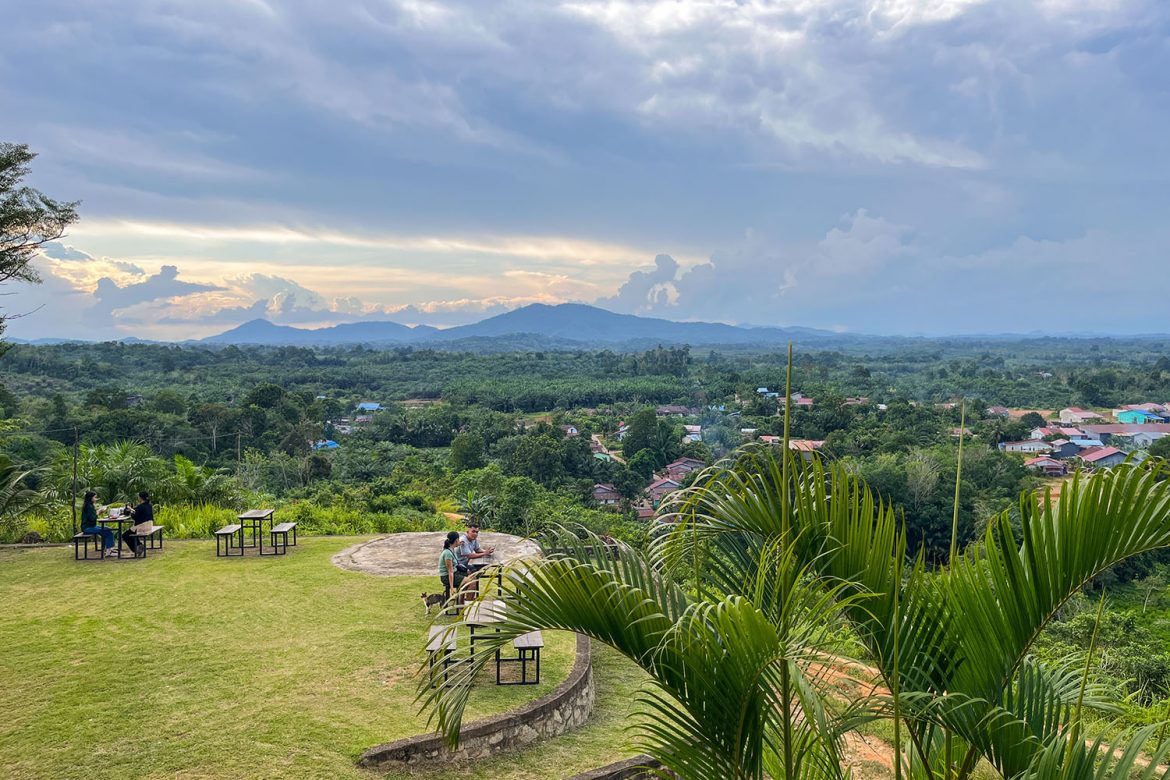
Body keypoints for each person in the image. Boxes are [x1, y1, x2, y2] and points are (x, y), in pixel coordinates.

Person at [122, 490, 154, 555]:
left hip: (142, 527)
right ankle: (139, 545)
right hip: (149, 525)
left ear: (140, 498)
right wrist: (132, 510)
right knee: (131, 533)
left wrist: (131, 511)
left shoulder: (141, 507)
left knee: (125, 535)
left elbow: (134, 517)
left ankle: (136, 549)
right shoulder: (149, 505)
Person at [438, 530, 465, 601]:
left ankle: (461, 600)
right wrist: (452, 588)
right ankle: (463, 605)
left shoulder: (451, 548)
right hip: (446, 577)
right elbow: (450, 572)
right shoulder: (447, 553)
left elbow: (456, 544)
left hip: (454, 572)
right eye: (458, 540)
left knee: (472, 574)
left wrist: (460, 543)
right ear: (456, 540)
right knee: (471, 583)